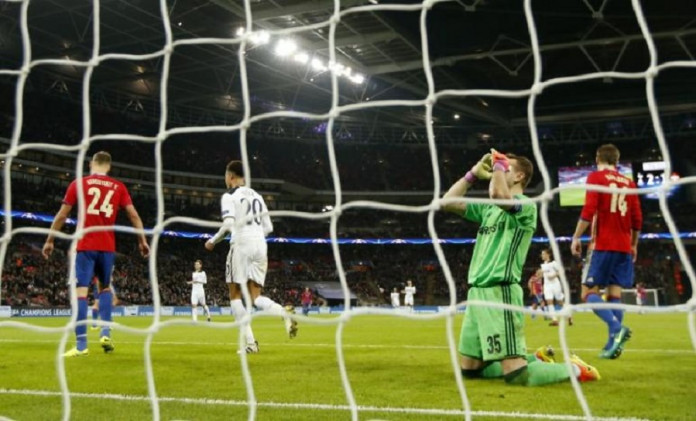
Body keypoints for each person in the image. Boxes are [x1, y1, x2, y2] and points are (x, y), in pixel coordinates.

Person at [443, 149, 599, 385]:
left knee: (517, 376)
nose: (499, 168)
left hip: (500, 291)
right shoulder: (488, 210)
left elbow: (498, 194)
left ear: (518, 177)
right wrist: (473, 174)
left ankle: (575, 369)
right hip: (476, 294)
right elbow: (447, 203)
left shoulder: (526, 207)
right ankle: (535, 357)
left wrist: (497, 165)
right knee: (471, 371)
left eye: (507, 167)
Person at [42, 151, 149, 357]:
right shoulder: (119, 186)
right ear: (109, 166)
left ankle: (81, 345)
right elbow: (133, 215)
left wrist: (50, 240)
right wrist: (142, 240)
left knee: (81, 293)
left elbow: (62, 214)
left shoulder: (78, 184)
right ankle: (105, 331)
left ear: (92, 164)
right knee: (105, 289)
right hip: (107, 247)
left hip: (86, 245)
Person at [205, 160, 297, 354]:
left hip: (242, 245)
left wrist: (213, 241)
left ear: (230, 176)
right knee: (255, 297)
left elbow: (228, 225)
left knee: (235, 296)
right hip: (260, 246)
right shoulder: (258, 196)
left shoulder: (229, 196)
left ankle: (250, 344)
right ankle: (283, 312)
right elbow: (269, 227)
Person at [571, 143, 642, 359]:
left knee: (588, 294)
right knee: (614, 295)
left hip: (602, 245)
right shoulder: (629, 183)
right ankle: (613, 345)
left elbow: (589, 209)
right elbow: (637, 219)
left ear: (597, 158)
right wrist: (634, 244)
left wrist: (576, 236)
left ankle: (615, 328)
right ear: (617, 161)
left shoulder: (596, 177)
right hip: (624, 247)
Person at [540, 248, 573, 326]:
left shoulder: (554, 263)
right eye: (542, 254)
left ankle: (569, 315)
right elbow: (544, 275)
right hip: (547, 285)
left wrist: (553, 276)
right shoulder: (543, 265)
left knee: (560, 302)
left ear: (548, 254)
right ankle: (554, 320)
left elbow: (561, 271)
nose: (542, 255)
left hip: (555, 284)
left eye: (543, 254)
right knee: (549, 301)